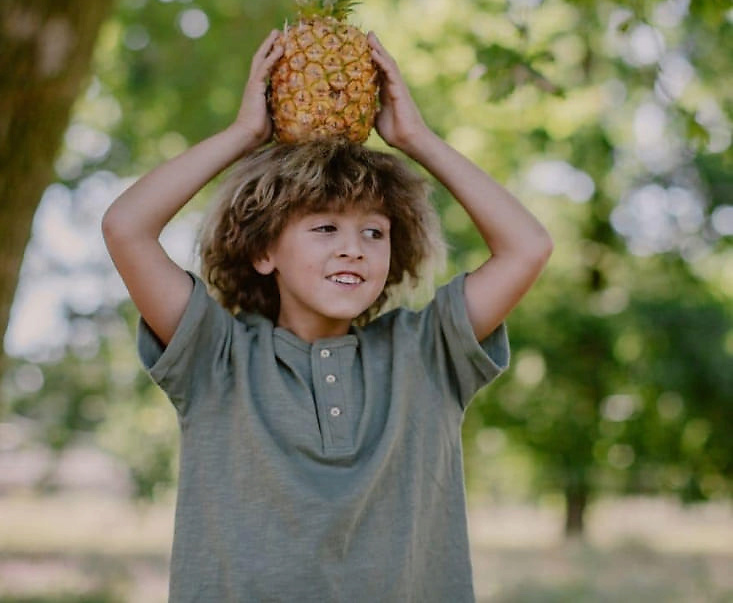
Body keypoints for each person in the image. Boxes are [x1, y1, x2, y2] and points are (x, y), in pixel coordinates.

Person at [102, 30, 553, 602]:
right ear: (265, 253)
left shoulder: (426, 351)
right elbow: (126, 228)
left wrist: (415, 138)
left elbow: (528, 247)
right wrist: (243, 136)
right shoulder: (215, 355)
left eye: (373, 232)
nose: (353, 248)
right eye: (324, 228)